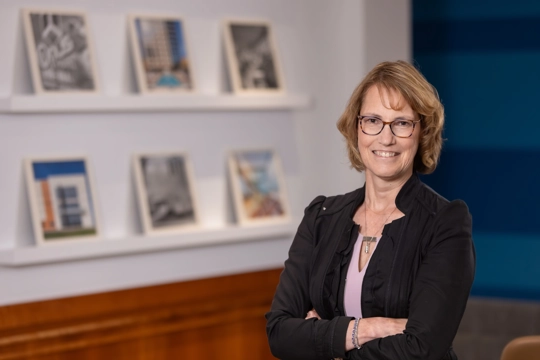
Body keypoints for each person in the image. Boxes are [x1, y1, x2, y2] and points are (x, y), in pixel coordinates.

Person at [265, 60, 475, 360]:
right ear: (357, 128)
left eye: (401, 123)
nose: (385, 137)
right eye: (373, 120)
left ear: (422, 132)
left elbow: (422, 349)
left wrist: (326, 344)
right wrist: (365, 329)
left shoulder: (446, 223)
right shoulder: (322, 216)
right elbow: (280, 334)